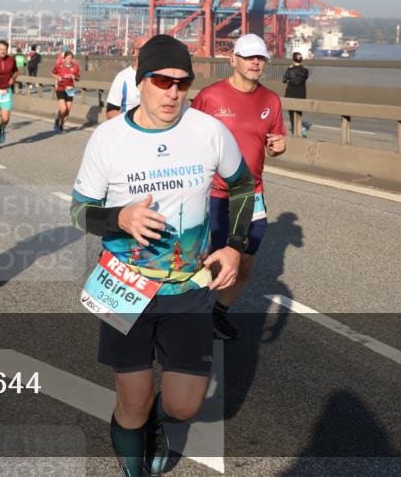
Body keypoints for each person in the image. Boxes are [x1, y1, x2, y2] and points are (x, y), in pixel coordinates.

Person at [69, 34, 254, 477]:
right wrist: (121, 219)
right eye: (161, 81)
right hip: (124, 284)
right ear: (140, 81)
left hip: (187, 289)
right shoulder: (108, 138)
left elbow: (244, 185)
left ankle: (157, 422)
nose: (173, 92)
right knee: (131, 401)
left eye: (182, 82)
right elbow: (78, 213)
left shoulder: (207, 130)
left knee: (183, 406)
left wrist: (233, 245)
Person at [190, 34, 286, 342]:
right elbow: (187, 140)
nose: (256, 63)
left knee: (244, 261)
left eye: (260, 58)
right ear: (233, 60)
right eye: (249, 57)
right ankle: (191, 315)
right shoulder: (210, 97)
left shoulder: (271, 101)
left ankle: (218, 314)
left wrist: (278, 147)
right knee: (210, 260)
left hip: (253, 195)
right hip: (215, 194)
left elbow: (272, 143)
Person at [105, 36, 149, 119]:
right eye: (144, 49)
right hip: (132, 128)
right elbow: (111, 111)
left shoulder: (160, 76)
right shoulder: (122, 77)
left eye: (151, 49)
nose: (148, 52)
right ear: (134, 51)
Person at [282, 52, 310, 137]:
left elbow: (284, 80)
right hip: (301, 94)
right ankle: (299, 128)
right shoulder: (306, 70)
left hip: (290, 93)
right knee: (299, 111)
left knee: (291, 113)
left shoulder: (289, 70)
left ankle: (295, 129)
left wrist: (289, 69)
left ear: (293, 59)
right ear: (301, 59)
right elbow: (305, 78)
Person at [52, 50, 81, 132]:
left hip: (70, 89)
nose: (69, 60)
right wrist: (58, 77)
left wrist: (75, 77)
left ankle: (61, 126)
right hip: (60, 88)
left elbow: (78, 78)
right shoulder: (59, 66)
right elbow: (53, 73)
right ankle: (57, 120)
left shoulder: (75, 67)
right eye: (68, 58)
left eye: (71, 58)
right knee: (63, 109)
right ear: (64, 59)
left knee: (68, 110)